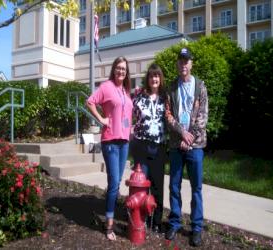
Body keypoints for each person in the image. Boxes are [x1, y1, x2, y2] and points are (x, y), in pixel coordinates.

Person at [164, 48, 208, 247]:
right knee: (174, 186)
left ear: (191, 63)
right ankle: (174, 222)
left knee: (196, 187)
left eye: (186, 61)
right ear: (177, 64)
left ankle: (196, 228)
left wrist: (190, 138)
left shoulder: (200, 86)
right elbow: (168, 115)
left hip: (196, 145)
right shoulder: (171, 87)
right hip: (176, 144)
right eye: (180, 61)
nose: (183, 64)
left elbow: (203, 118)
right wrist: (182, 134)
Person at [87, 56, 133, 241]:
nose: (121, 71)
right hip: (111, 141)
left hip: (124, 141)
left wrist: (131, 128)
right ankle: (109, 224)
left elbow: (126, 114)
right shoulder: (106, 87)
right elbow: (90, 102)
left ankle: (110, 213)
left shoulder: (125, 90)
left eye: (124, 69)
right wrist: (101, 119)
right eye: (118, 68)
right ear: (114, 69)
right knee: (114, 182)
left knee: (116, 181)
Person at [131, 63, 166, 233]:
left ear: (160, 79)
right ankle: (142, 219)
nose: (154, 79)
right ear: (148, 79)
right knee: (142, 186)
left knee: (158, 186)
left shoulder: (166, 99)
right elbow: (126, 111)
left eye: (157, 76)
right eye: (152, 76)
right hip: (142, 146)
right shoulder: (138, 97)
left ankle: (157, 221)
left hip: (158, 147)